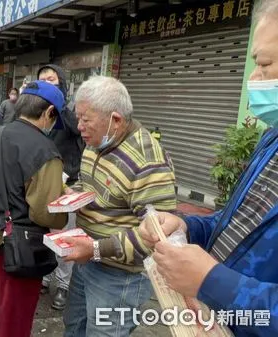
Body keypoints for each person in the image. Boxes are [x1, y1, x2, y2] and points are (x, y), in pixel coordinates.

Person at [138, 2, 278, 335]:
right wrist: (186, 226)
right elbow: (239, 223)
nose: (253, 81)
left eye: (265, 64)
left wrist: (212, 280)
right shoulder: (272, 140)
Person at [61, 76, 177, 337]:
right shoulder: (95, 143)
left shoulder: (147, 162)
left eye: (85, 119)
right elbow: (92, 187)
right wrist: (71, 196)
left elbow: (156, 236)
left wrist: (95, 249)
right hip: (87, 261)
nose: (79, 127)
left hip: (119, 278)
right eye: (77, 118)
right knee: (74, 327)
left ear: (115, 119)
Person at [0, 81, 69, 337]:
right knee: (13, 326)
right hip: (16, 252)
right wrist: (65, 203)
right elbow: (45, 212)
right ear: (49, 112)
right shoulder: (45, 150)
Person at [37, 64, 86, 311]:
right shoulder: (35, 113)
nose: (47, 83)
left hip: (67, 185)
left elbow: (81, 141)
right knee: (45, 233)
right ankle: (45, 278)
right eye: (42, 80)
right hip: (41, 184)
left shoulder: (69, 115)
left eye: (51, 79)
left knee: (66, 236)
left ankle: (63, 286)